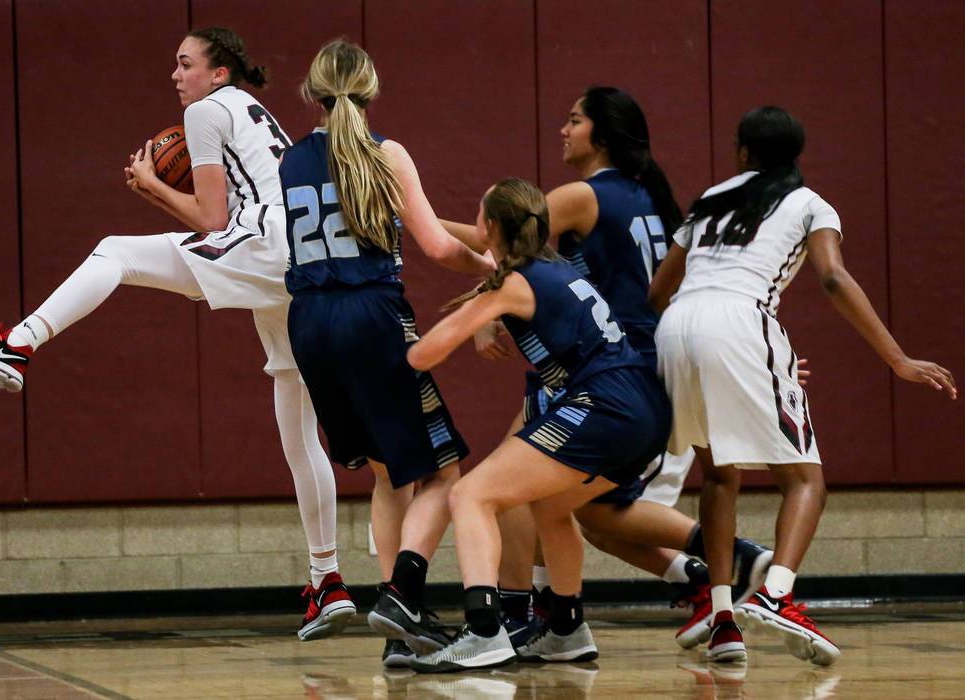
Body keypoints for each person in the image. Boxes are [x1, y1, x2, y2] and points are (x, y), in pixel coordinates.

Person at [0, 27, 354, 642]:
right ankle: (328, 580)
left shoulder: (206, 110)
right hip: (299, 260)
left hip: (261, 246)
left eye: (185, 64)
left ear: (218, 73)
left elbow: (212, 220)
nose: (176, 77)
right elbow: (226, 211)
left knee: (112, 252)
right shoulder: (257, 113)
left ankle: (16, 344)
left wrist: (153, 187)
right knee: (297, 429)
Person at [442, 87, 772, 651]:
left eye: (574, 121)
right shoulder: (651, 196)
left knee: (508, 489)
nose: (563, 131)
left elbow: (495, 236)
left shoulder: (581, 196)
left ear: (603, 135)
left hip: (604, 372)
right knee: (581, 507)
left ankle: (516, 617)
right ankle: (717, 565)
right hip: (656, 365)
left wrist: (414, 219)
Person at [650, 105, 957, 665]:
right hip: (741, 319)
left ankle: (722, 619)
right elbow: (833, 276)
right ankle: (777, 593)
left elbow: (657, 292)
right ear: (796, 155)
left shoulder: (709, 199)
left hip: (675, 326)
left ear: (742, 151)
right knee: (806, 478)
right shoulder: (810, 202)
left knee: (718, 475)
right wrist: (897, 359)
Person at [278, 39, 494, 667]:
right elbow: (436, 246)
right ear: (372, 92)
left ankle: (400, 632)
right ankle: (402, 594)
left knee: (386, 472)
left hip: (309, 323)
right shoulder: (384, 153)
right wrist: (489, 269)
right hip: (370, 316)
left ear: (312, 94)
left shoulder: (291, 161)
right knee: (444, 470)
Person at [408, 177, 672, 673]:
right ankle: (567, 629)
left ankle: (485, 631)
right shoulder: (559, 267)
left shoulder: (514, 282)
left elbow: (425, 353)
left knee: (470, 495)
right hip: (646, 408)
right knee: (551, 507)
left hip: (606, 403)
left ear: (489, 226)